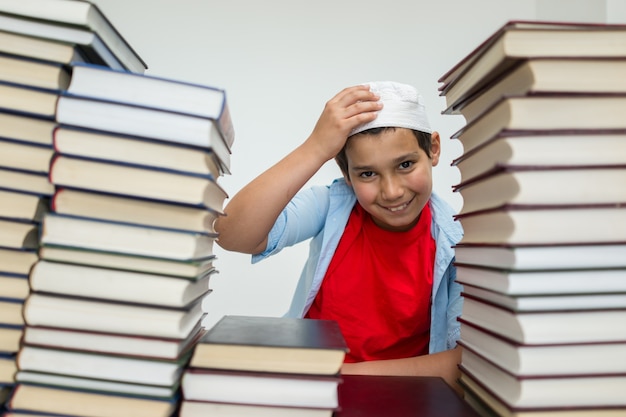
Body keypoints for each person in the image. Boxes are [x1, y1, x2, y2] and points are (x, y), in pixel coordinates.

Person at [214, 81, 464, 391]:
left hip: (396, 395)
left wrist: (335, 375)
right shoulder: (332, 204)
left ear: (434, 149)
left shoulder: (458, 244)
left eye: (405, 164)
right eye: (367, 174)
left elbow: (460, 364)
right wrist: (316, 148)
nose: (392, 191)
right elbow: (232, 234)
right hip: (307, 393)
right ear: (346, 174)